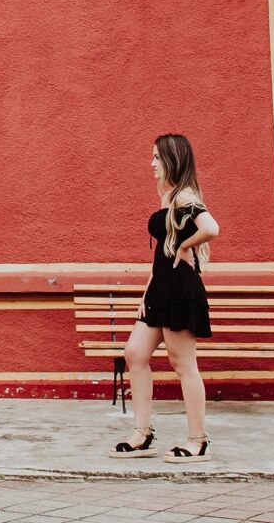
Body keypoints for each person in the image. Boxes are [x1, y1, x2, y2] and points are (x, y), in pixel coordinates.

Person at [110, 133, 219, 465]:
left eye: (157, 157)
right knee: (135, 352)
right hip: (160, 287)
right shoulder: (168, 197)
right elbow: (161, 252)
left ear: (173, 160)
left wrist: (187, 247)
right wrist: (146, 291)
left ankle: (198, 441)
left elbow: (211, 227)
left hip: (180, 289)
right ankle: (143, 433)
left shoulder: (185, 196)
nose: (152, 163)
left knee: (183, 364)